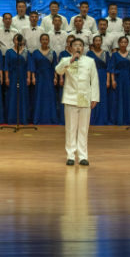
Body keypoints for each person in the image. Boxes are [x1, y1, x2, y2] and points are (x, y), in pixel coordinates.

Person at [55, 37, 99, 166]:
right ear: (70, 48)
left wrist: (94, 98)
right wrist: (71, 60)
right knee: (70, 129)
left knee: (83, 129)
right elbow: (58, 70)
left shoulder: (90, 61)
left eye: (80, 45)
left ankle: (82, 156)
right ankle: (70, 156)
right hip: (71, 97)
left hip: (85, 97)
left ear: (83, 48)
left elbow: (94, 80)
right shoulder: (65, 60)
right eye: (75, 45)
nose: (78, 47)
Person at [107, 36, 130, 126]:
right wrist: (112, 80)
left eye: (125, 42)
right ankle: (117, 118)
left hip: (129, 78)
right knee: (118, 97)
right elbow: (112, 67)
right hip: (118, 78)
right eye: (121, 42)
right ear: (118, 43)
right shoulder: (115, 54)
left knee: (128, 97)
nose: (123, 44)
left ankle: (129, 118)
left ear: (127, 43)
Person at [30, 34, 59, 125]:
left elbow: (55, 66)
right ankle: (38, 118)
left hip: (49, 76)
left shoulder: (52, 52)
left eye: (46, 39)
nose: (45, 41)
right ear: (40, 41)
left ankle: (51, 118)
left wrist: (55, 77)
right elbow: (33, 66)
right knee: (39, 96)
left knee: (50, 96)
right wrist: (33, 77)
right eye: (43, 39)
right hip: (39, 77)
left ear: (48, 41)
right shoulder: (35, 52)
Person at [4, 34, 31, 125]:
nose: (18, 41)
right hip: (12, 75)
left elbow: (29, 65)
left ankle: (23, 118)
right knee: (13, 95)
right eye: (16, 39)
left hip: (23, 75)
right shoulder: (9, 52)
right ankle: (12, 118)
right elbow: (6, 65)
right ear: (13, 41)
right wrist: (6, 78)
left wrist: (28, 78)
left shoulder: (26, 52)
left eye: (20, 39)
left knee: (22, 95)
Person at [86, 35, 110, 126]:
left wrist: (108, 80)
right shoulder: (89, 53)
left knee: (102, 96)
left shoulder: (106, 53)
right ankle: (92, 118)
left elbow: (108, 67)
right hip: (92, 75)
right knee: (92, 95)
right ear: (93, 42)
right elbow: (87, 67)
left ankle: (102, 118)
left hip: (103, 75)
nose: (98, 42)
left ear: (102, 42)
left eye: (99, 40)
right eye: (96, 40)